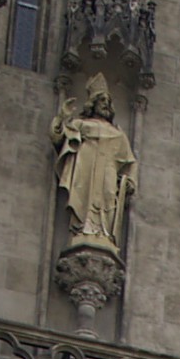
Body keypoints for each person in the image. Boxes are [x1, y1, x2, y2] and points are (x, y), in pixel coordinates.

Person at [51, 78, 137, 251]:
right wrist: (61, 118)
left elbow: (130, 162)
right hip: (85, 170)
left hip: (108, 173)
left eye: (108, 101)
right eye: (102, 100)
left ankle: (103, 235)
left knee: (107, 200)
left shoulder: (118, 134)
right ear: (93, 103)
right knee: (84, 199)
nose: (105, 104)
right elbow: (58, 137)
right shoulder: (81, 124)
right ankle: (83, 231)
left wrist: (131, 182)